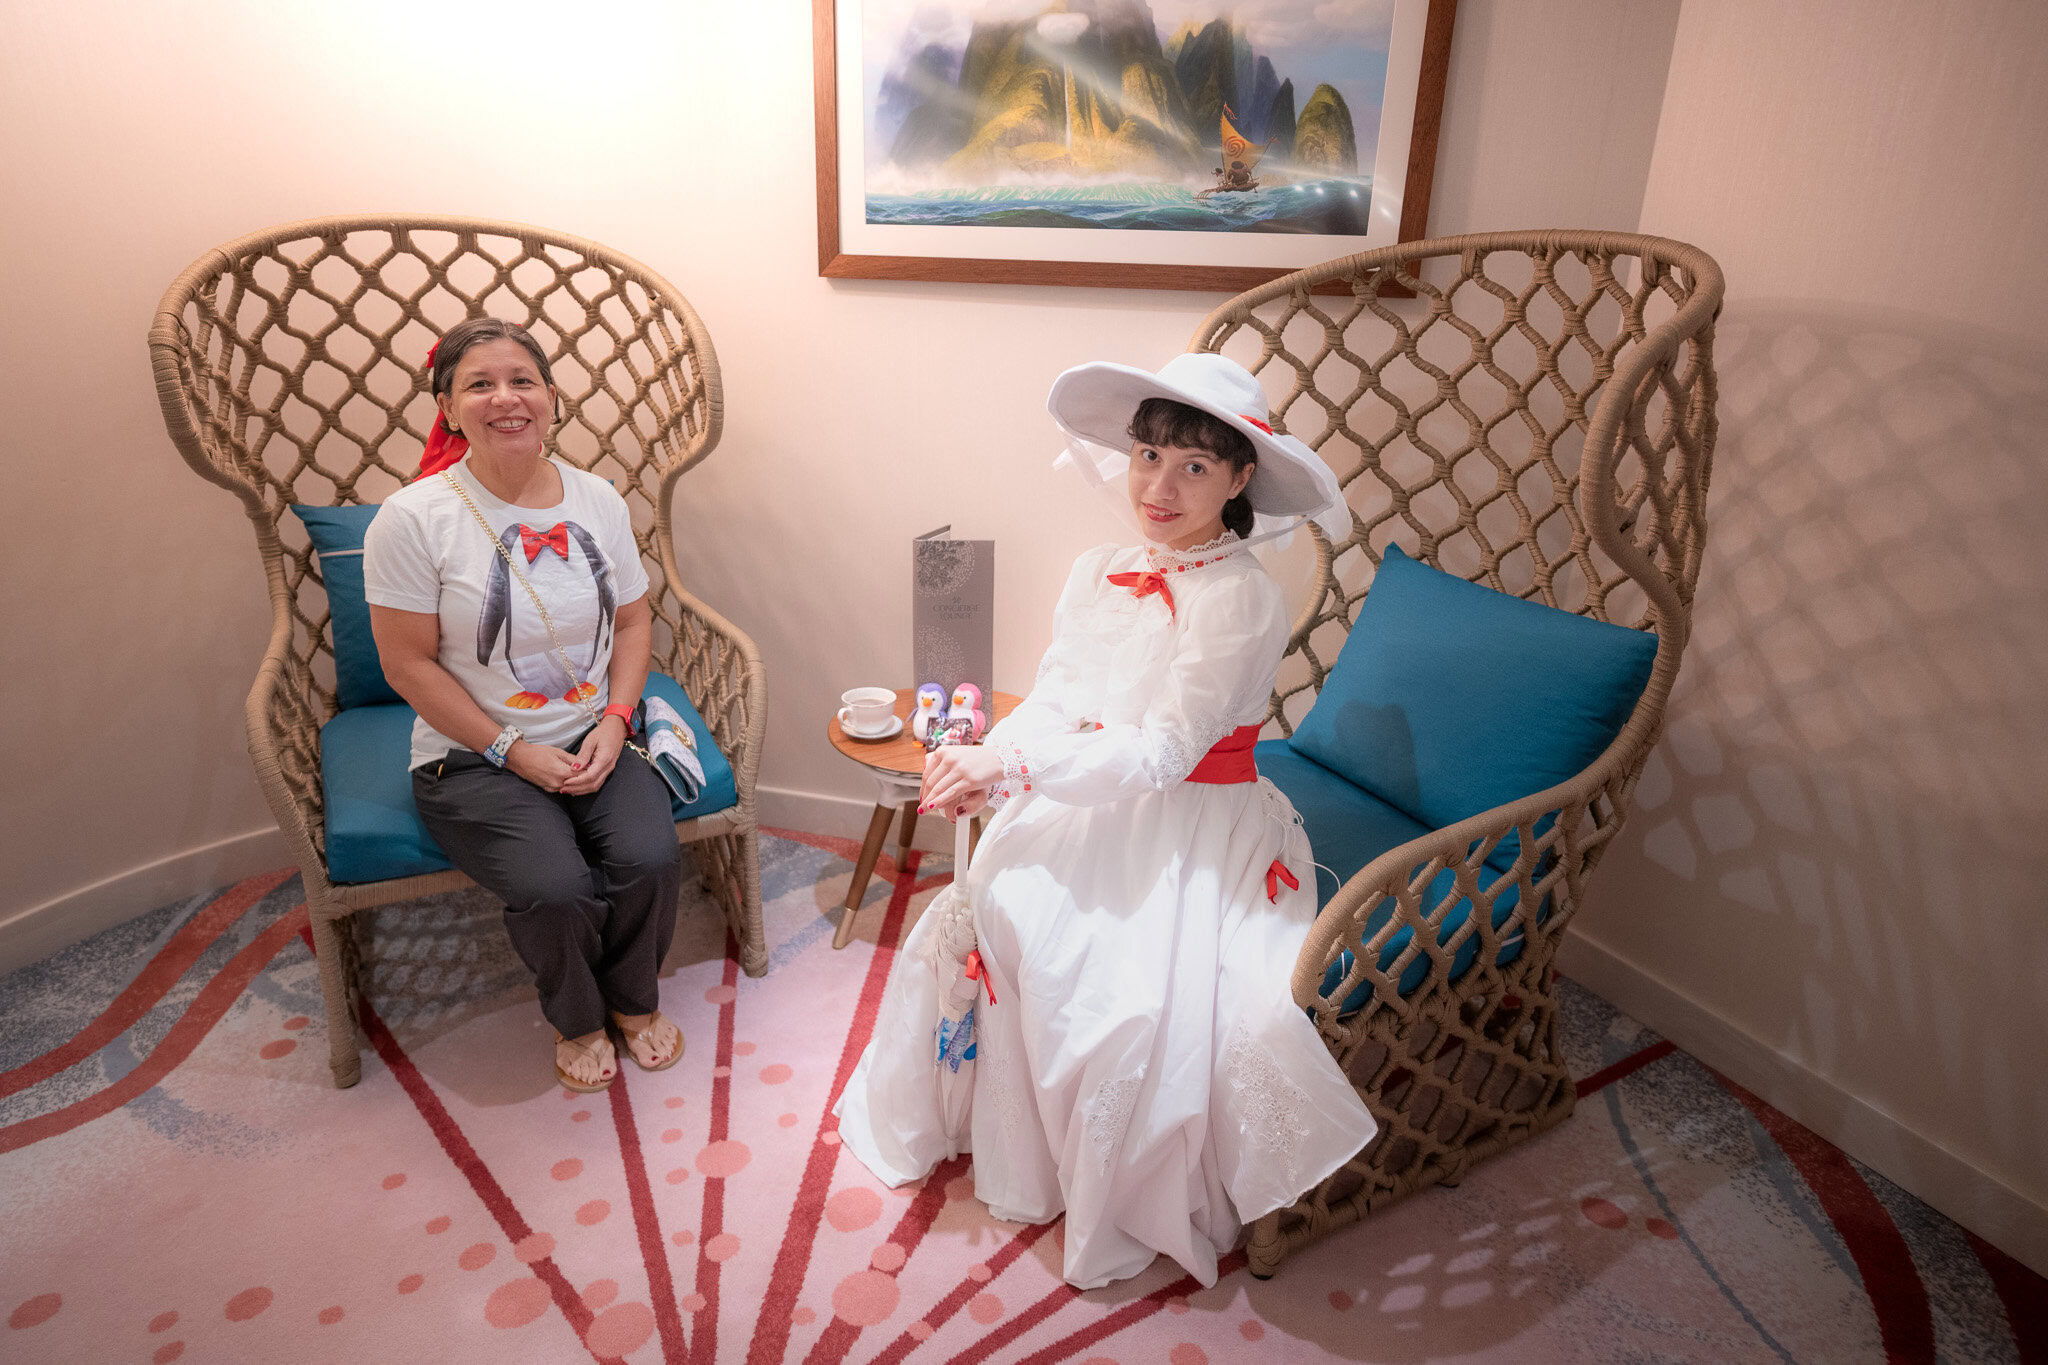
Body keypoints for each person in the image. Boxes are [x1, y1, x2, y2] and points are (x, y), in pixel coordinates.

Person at [835, 352, 1379, 1289]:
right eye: (1147, 456)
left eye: (1194, 468)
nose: (1159, 487)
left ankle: (1103, 1180)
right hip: (1087, 790)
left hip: (1192, 817)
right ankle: (1007, 1140)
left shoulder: (1242, 597)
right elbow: (1058, 698)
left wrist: (1014, 764)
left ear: (1242, 478)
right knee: (998, 903)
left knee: (1114, 1002)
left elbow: (1164, 754)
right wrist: (989, 765)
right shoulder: (1100, 569)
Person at [363, 317, 684, 1093]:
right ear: (446, 405)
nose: (505, 398)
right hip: (472, 754)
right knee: (555, 888)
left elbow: (636, 618)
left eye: (522, 380)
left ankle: (634, 1001)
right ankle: (577, 1017)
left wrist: (615, 720)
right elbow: (407, 666)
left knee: (650, 856)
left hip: (593, 735)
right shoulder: (412, 519)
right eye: (479, 383)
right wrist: (514, 750)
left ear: (550, 398)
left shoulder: (598, 498)